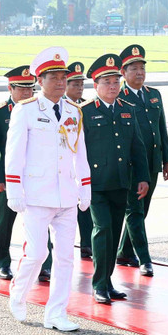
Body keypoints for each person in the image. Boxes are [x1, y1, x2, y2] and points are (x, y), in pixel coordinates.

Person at [5, 46, 90, 331]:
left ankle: (56, 313)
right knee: (37, 253)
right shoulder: (26, 109)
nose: (60, 82)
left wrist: (85, 186)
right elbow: (14, 152)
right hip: (37, 194)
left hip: (66, 194)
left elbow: (80, 153)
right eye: (53, 77)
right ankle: (18, 294)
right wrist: (13, 189)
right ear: (40, 81)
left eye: (63, 76)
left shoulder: (74, 111)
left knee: (65, 257)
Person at [81, 54, 149, 304]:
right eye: (107, 82)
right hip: (96, 185)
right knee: (103, 230)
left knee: (114, 231)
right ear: (95, 85)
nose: (112, 86)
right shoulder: (84, 112)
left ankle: (108, 282)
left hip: (121, 183)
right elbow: (77, 152)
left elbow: (137, 147)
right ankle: (98, 283)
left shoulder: (128, 110)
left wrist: (142, 177)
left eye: (115, 82)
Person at [116, 44, 168, 277]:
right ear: (124, 73)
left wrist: (166, 160)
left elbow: (161, 128)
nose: (140, 73)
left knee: (142, 209)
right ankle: (145, 259)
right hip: (130, 166)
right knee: (135, 210)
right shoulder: (118, 96)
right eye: (134, 69)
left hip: (152, 163)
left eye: (142, 68)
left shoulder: (153, 94)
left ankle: (124, 251)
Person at [0, 65, 35, 279]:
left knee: (39, 221)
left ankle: (44, 265)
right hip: (9, 178)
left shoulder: (38, 109)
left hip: (34, 176)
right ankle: (3, 262)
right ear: (10, 88)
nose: (26, 93)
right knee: (4, 222)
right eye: (21, 89)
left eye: (30, 89)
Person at [65, 62, 93, 260]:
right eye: (75, 84)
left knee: (85, 207)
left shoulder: (85, 107)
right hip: (64, 168)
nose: (79, 88)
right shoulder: (62, 106)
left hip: (82, 165)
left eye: (81, 84)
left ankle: (86, 244)